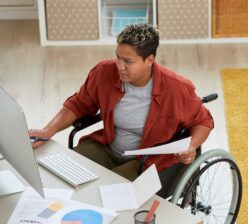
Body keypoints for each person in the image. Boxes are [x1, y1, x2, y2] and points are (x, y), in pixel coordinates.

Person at [29, 24, 214, 198]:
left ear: (149, 60)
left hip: (147, 160)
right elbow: (79, 104)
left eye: (128, 61)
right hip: (108, 146)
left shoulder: (176, 88)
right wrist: (48, 131)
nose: (119, 66)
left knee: (106, 193)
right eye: (118, 57)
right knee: (62, 173)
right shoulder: (104, 72)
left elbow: (203, 121)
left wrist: (191, 146)